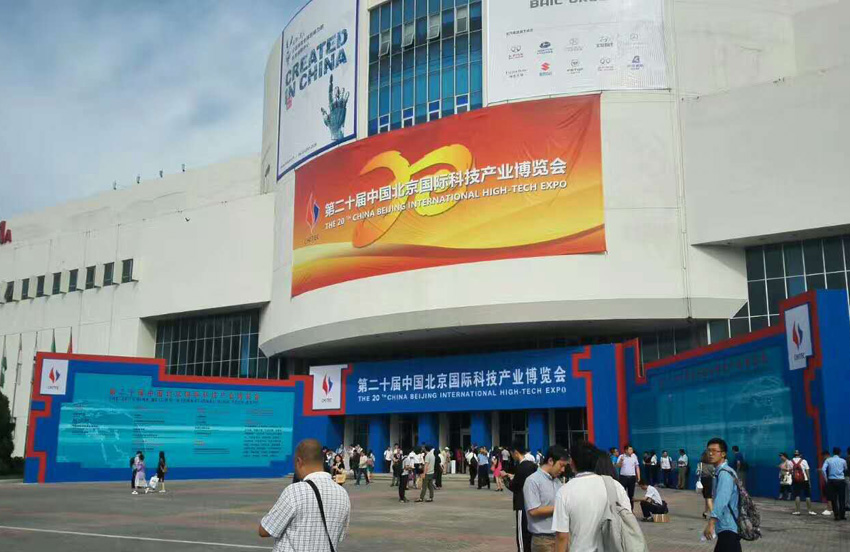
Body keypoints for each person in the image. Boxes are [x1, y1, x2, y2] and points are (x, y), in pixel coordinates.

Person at [259, 439, 350, 552]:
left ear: (299, 461)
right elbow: (339, 536)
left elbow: (265, 530)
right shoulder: (343, 494)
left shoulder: (294, 491)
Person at [553, 442, 632, 552]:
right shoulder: (615, 485)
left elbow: (562, 536)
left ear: (572, 463)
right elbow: (628, 518)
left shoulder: (564, 492)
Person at [524, 445, 569, 552]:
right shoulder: (533, 481)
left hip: (560, 537)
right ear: (550, 461)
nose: (562, 470)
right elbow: (534, 511)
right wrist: (560, 507)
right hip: (543, 540)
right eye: (561, 465)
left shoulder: (557, 482)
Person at [702, 438, 740, 552]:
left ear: (723, 454)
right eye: (709, 450)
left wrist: (711, 523)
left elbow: (721, 500)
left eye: (714, 451)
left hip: (728, 528)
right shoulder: (722, 471)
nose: (710, 453)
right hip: (728, 528)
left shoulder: (724, 474)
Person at [504, 440, 538, 552]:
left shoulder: (521, 466)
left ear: (515, 452)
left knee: (522, 535)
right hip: (533, 504)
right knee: (530, 534)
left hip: (522, 503)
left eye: (511, 454)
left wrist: (505, 478)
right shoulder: (532, 466)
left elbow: (514, 486)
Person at [822, 447, 848, 520]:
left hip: (831, 480)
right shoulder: (843, 461)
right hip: (841, 480)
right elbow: (845, 469)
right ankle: (842, 515)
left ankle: (836, 515)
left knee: (833, 499)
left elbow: (823, 469)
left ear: (833, 453)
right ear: (840, 453)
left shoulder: (828, 460)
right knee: (842, 498)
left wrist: (826, 479)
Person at [790, 450, 817, 515]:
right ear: (800, 455)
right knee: (807, 495)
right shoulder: (804, 461)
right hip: (805, 480)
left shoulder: (790, 462)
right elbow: (807, 471)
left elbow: (791, 472)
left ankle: (797, 511)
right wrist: (809, 481)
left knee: (797, 495)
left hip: (796, 480)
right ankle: (810, 511)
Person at [617, 444, 641, 509]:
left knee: (631, 495)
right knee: (622, 494)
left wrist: (639, 477)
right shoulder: (621, 456)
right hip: (623, 477)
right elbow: (618, 466)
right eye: (630, 449)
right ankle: (622, 509)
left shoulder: (634, 456)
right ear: (626, 450)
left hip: (632, 477)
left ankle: (631, 509)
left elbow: (637, 467)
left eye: (632, 449)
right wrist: (621, 460)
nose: (631, 451)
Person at [698, 450, 716, 519]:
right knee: (708, 498)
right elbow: (714, 473)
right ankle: (712, 514)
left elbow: (698, 472)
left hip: (703, 480)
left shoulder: (700, 464)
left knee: (707, 498)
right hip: (710, 480)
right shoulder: (712, 465)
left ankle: (707, 512)